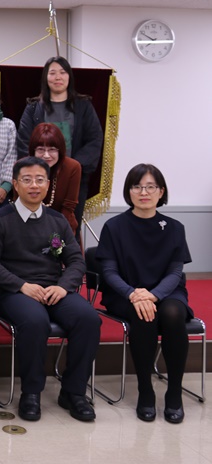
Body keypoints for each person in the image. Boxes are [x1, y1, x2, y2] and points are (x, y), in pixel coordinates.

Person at [0, 157, 100, 423]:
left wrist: (64, 286)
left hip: (54, 289)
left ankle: (73, 391)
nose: (34, 185)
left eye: (40, 180)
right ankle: (31, 392)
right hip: (14, 291)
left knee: (88, 319)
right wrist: (21, 285)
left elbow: (76, 260)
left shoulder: (57, 220)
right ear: (15, 184)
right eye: (27, 179)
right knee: (35, 320)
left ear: (48, 185)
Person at [95, 164, 192, 424]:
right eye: (137, 186)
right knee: (143, 316)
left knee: (172, 314)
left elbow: (175, 271)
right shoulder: (114, 226)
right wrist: (134, 294)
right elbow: (109, 271)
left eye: (151, 186)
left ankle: (174, 392)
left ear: (161, 191)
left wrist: (153, 295)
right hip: (125, 293)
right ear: (129, 192)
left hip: (166, 292)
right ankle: (145, 391)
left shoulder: (174, 227)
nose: (144, 192)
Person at [16, 56, 103, 229]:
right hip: (38, 179)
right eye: (53, 73)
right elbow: (24, 141)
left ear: (69, 77)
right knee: (35, 226)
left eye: (63, 73)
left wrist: (72, 167)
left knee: (68, 227)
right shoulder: (34, 107)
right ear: (45, 78)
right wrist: (37, 170)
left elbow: (94, 139)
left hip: (73, 179)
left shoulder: (83, 106)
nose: (58, 77)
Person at [21, 123, 81, 235]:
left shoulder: (72, 167)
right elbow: (21, 206)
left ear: (60, 150)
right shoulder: (22, 168)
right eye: (41, 149)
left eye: (52, 149)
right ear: (32, 151)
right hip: (28, 228)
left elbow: (68, 208)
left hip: (63, 228)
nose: (46, 155)